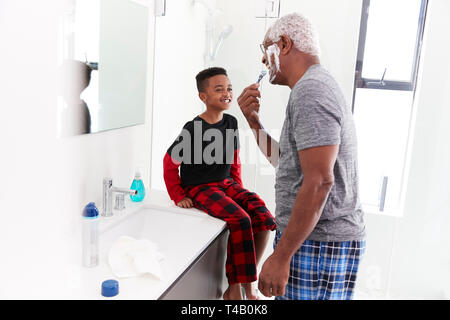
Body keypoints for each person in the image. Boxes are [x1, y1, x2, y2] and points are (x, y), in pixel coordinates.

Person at [237, 13, 366, 300]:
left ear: (283, 44)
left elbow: (320, 181)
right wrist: (253, 122)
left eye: (265, 49)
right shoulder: (311, 88)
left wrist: (281, 257)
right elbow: (289, 166)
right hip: (313, 241)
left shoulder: (311, 90)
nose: (263, 61)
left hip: (316, 243)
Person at [163, 67, 276, 300]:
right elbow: (169, 162)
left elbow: (234, 161)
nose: (227, 93)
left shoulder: (232, 123)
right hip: (200, 188)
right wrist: (178, 195)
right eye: (219, 89)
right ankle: (235, 288)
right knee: (241, 219)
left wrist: (238, 188)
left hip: (226, 185)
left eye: (229, 88)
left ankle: (247, 280)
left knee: (263, 217)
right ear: (203, 97)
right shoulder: (193, 128)